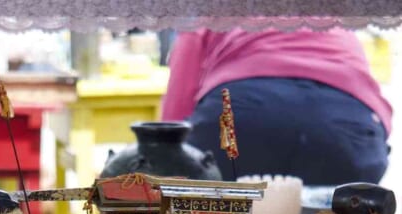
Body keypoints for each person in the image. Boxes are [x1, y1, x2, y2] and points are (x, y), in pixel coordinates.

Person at [161, 28, 392, 186]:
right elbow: (362, 85)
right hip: (347, 128)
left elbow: (184, 74)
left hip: (240, 115)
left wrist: (163, 152)